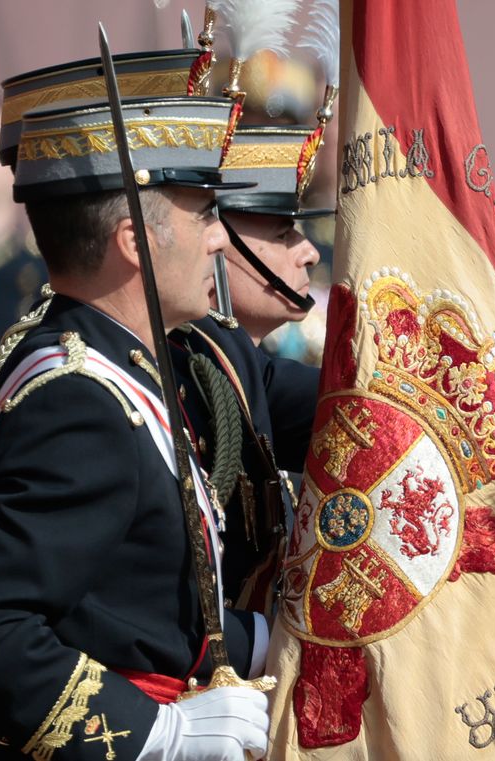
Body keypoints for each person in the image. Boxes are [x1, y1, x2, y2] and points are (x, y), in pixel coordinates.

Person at [0, 95, 272, 761]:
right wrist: (153, 734)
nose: (221, 238)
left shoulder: (133, 355)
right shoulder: (80, 401)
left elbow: (124, 605)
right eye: (203, 215)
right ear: (134, 243)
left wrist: (258, 637)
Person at [168, 124, 327, 613]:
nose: (309, 251)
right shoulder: (184, 363)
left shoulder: (236, 358)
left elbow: (347, 401)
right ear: (220, 243)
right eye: (282, 234)